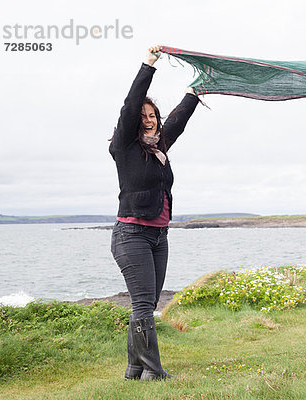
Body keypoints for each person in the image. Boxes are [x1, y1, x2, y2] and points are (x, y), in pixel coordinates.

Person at [109, 45, 199, 380]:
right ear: (134, 123)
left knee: (145, 305)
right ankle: (154, 371)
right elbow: (132, 103)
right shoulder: (124, 147)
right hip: (131, 235)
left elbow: (179, 119)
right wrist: (149, 65)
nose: (148, 120)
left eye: (153, 117)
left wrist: (195, 90)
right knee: (145, 304)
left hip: (158, 236)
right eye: (143, 117)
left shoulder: (159, 146)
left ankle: (135, 368)